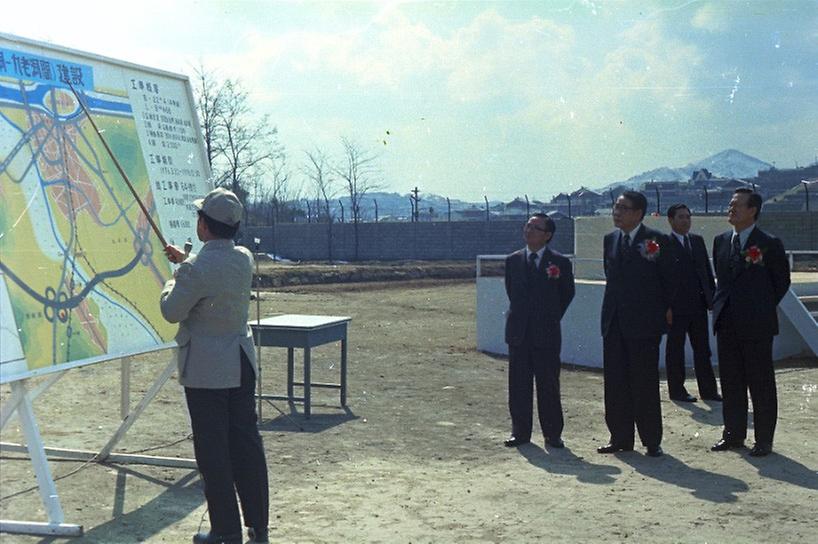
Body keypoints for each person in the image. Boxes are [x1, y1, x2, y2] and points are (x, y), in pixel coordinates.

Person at [160, 187, 269, 544]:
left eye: (199, 218)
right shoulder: (243, 258)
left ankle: (225, 531)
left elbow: (171, 310)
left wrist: (175, 276)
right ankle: (258, 526)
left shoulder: (195, 270)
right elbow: (210, 275)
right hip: (240, 363)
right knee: (246, 445)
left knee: (213, 452)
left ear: (204, 226)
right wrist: (186, 266)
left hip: (208, 370)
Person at [710, 188, 790, 457]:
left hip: (756, 325)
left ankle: (764, 440)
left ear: (752, 210)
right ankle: (733, 434)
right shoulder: (721, 241)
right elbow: (722, 280)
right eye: (730, 204)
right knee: (731, 382)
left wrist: (758, 308)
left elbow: (781, 283)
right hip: (727, 323)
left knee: (761, 383)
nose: (730, 209)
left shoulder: (769, 243)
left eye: (737, 205)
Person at [598, 191, 677, 457]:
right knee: (615, 382)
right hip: (615, 323)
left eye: (623, 208)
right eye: (615, 207)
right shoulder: (610, 240)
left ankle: (651, 439)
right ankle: (620, 437)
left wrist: (663, 313)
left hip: (644, 325)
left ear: (638, 213)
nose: (616, 212)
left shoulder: (657, 240)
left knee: (644, 382)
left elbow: (669, 282)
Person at [503, 213, 575, 449]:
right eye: (527, 225)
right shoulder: (513, 260)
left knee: (548, 386)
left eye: (535, 227)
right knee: (519, 385)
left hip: (546, 334)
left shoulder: (560, 263)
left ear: (547, 235)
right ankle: (520, 432)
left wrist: (549, 317)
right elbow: (512, 292)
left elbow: (566, 294)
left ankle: (553, 434)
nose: (529, 230)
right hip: (519, 333)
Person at [664, 204, 721, 403]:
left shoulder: (696, 241)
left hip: (697, 306)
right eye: (681, 217)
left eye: (688, 217)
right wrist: (666, 307)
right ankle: (677, 391)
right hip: (676, 308)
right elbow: (660, 280)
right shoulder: (664, 244)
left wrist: (712, 299)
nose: (686, 220)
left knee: (703, 350)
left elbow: (706, 271)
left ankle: (709, 391)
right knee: (676, 350)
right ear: (671, 220)